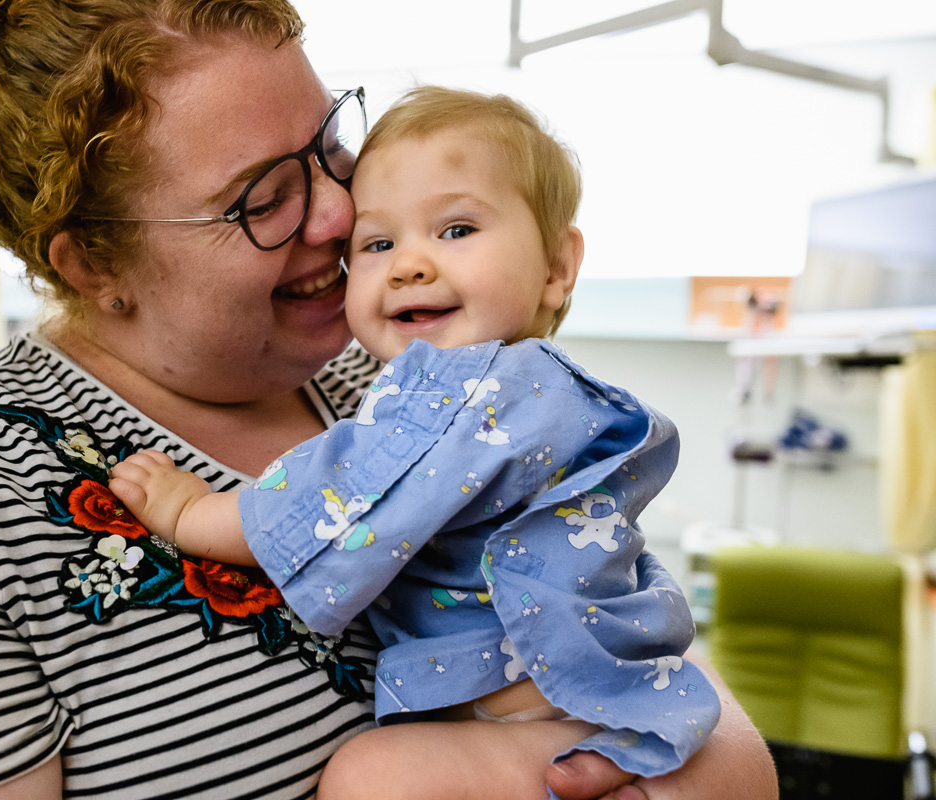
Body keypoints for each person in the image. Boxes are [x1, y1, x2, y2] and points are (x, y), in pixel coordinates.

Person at [0, 1, 777, 799]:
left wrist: (700, 763)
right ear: (96, 260)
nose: (340, 210)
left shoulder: (405, 375)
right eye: (263, 198)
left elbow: (655, 663)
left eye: (330, 143)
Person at [109, 86, 719, 798]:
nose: (409, 265)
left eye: (456, 230)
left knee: (375, 778)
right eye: (376, 243)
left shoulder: (473, 388)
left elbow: (342, 494)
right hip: (567, 696)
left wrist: (193, 515)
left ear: (557, 267)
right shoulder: (527, 386)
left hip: (532, 702)